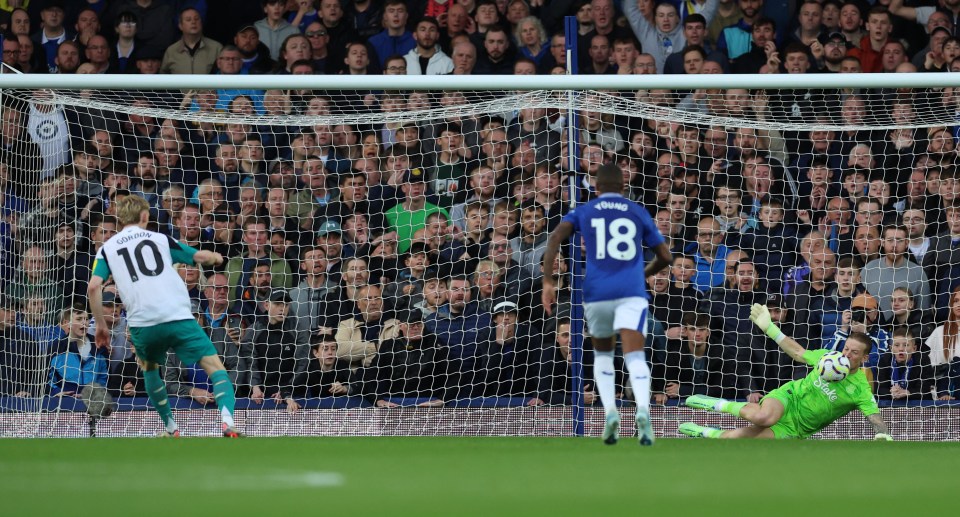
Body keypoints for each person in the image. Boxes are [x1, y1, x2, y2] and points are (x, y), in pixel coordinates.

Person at [87, 195, 241, 438]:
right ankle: (227, 422)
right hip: (177, 317)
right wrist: (216, 257)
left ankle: (170, 428)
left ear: (119, 219)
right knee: (215, 367)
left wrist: (101, 328)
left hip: (142, 325)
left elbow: (94, 287)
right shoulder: (160, 239)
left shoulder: (107, 249)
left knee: (149, 369)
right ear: (145, 216)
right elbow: (200, 257)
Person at [542, 163, 673, 446]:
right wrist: (642, 273)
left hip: (597, 291)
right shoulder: (637, 210)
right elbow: (665, 255)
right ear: (623, 187)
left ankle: (610, 413)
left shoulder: (584, 210)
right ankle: (642, 409)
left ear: (596, 188)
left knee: (603, 356)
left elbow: (554, 238)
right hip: (631, 291)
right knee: (634, 355)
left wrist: (548, 281)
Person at [679, 304, 894, 440]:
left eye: (854, 352)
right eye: (846, 348)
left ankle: (705, 432)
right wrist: (770, 328)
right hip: (788, 398)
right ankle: (716, 404)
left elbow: (875, 417)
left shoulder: (860, 388)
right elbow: (799, 352)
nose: (846, 355)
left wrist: (883, 435)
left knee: (737, 440)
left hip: (797, 428)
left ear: (865, 358)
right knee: (765, 416)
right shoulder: (828, 358)